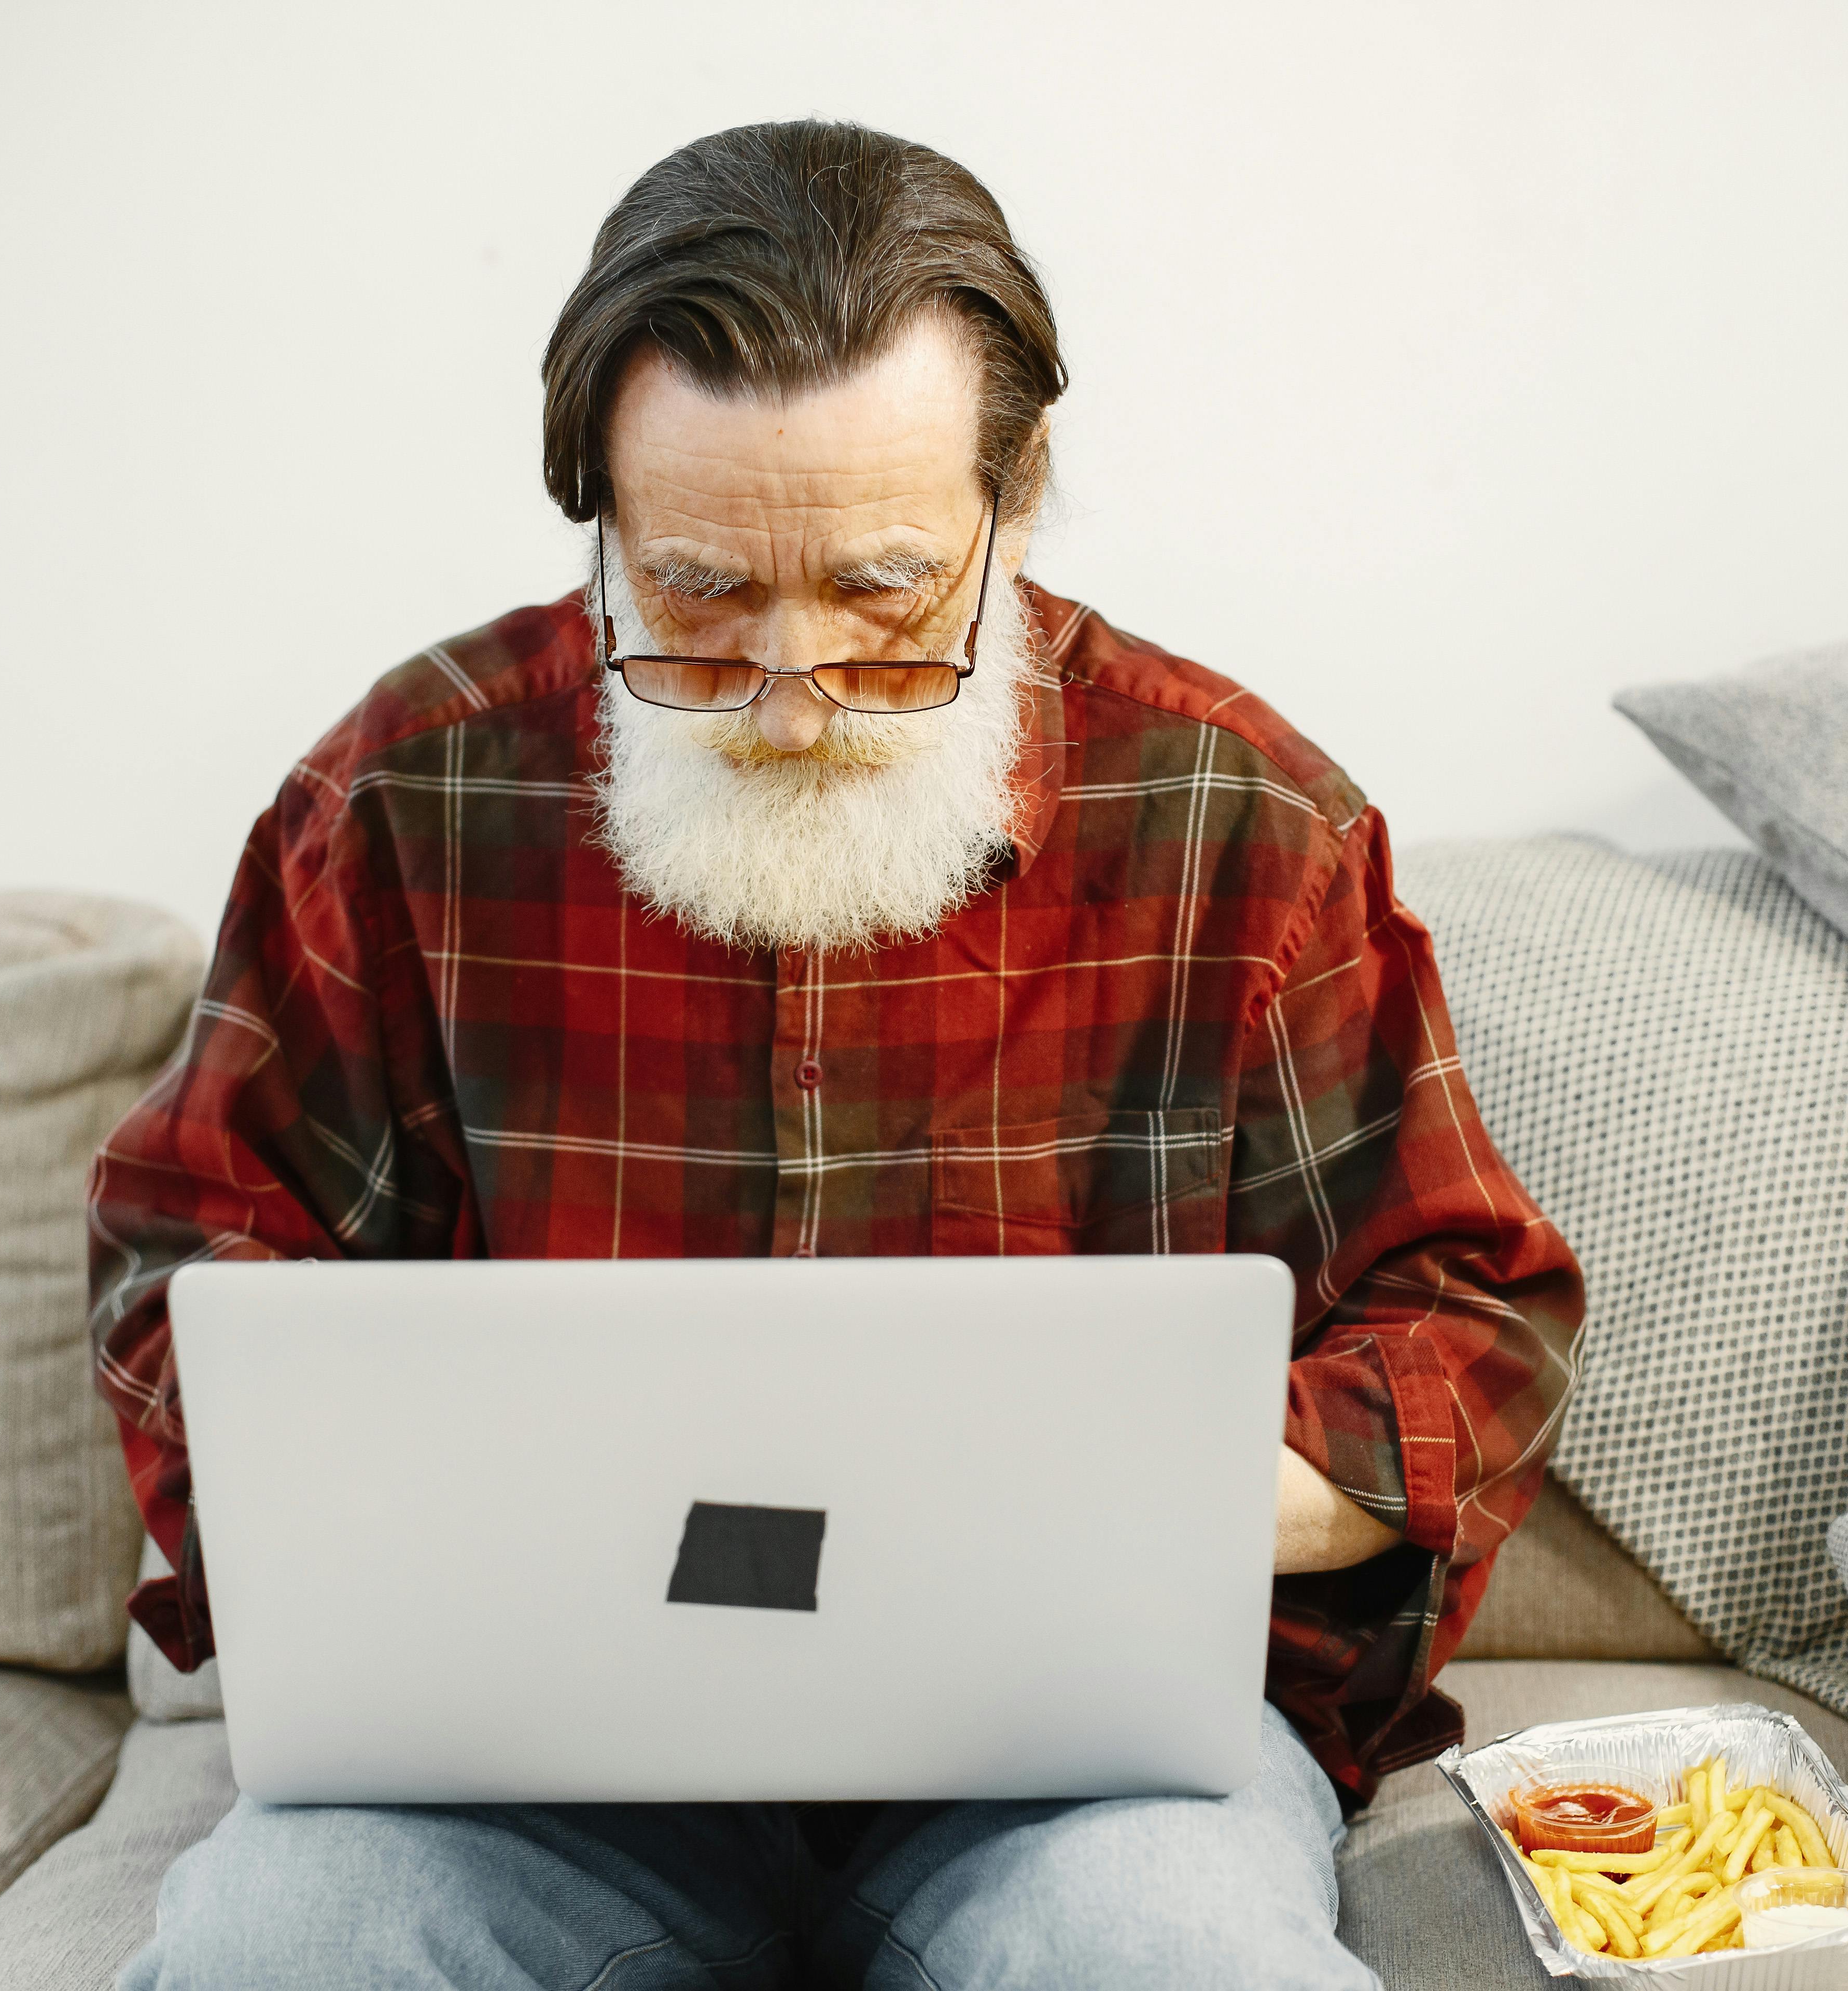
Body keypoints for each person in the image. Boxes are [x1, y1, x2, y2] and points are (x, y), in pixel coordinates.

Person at [92, 118, 1583, 1991]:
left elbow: (1468, 1324)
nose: (791, 704)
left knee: (1167, 1960)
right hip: (527, 1756)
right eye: (702, 604)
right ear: (604, 522)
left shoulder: (1241, 819)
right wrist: (389, 1511)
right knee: (280, 1951)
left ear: (1017, 497)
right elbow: (189, 1266)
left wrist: (1106, 1508)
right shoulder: (407, 793)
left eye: (886, 603)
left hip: (1073, 1773)